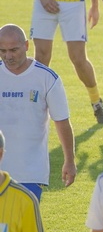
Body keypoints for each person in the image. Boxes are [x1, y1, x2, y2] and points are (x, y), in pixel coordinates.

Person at [0, 24, 75, 200]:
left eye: (13, 50)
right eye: (2, 51)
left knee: (24, 226)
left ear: (26, 46)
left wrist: (70, 161)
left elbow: (62, 121)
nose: (8, 56)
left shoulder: (47, 78)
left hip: (30, 172)